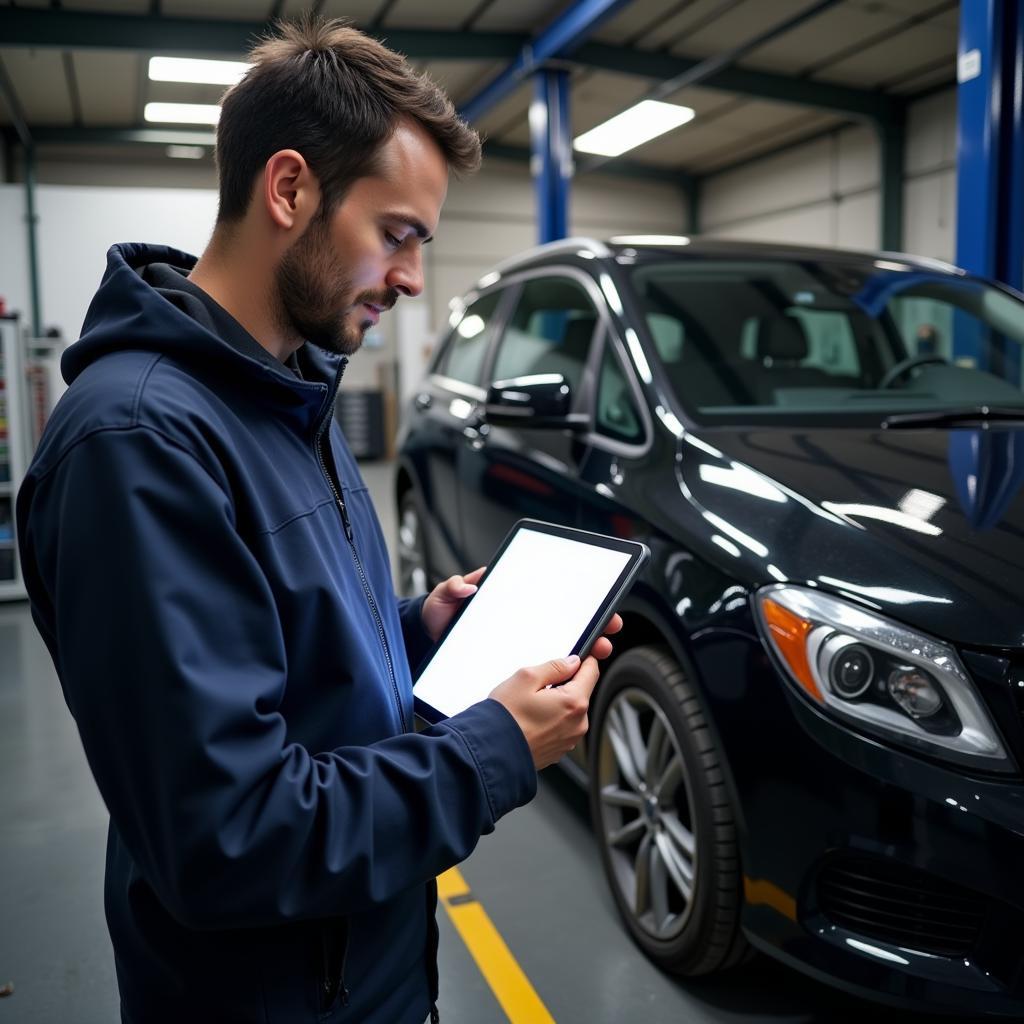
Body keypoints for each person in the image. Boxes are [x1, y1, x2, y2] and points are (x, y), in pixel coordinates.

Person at [15, 18, 620, 1024]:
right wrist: (494, 748)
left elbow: (267, 633)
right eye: (397, 234)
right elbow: (227, 837)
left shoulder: (291, 388)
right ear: (289, 189)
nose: (415, 277)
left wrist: (407, 625)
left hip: (366, 970)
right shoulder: (136, 443)